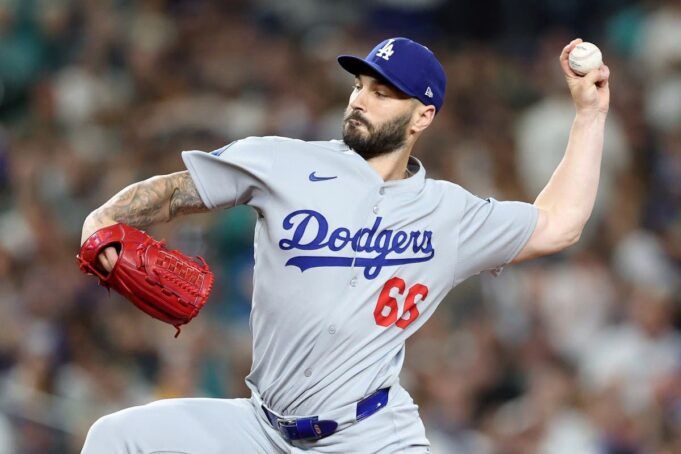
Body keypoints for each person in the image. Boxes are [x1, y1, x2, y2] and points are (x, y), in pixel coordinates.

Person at [79, 37, 610, 453]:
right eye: (360, 85)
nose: (360, 99)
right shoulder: (284, 162)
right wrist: (102, 219)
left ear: (423, 116)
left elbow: (558, 224)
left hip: (370, 437)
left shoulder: (449, 214)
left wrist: (589, 115)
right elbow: (175, 191)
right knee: (115, 439)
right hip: (261, 430)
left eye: (382, 93)